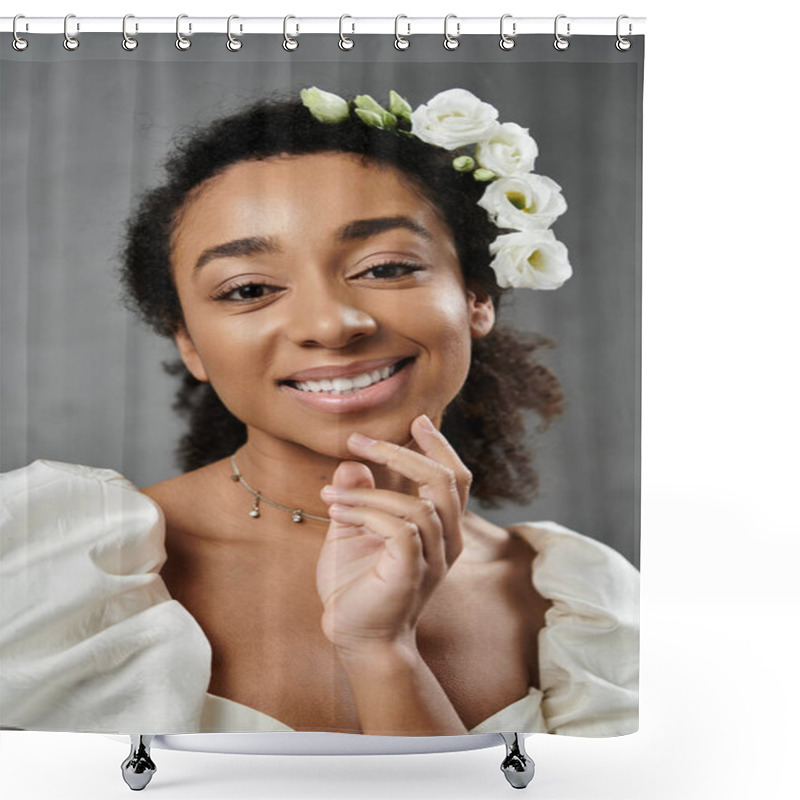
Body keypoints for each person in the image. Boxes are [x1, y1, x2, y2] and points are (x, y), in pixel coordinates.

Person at [0, 88, 638, 737]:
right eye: (249, 289)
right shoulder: (43, 568)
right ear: (189, 342)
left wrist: (382, 652)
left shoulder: (585, 604)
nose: (332, 324)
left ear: (476, 296)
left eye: (386, 267)